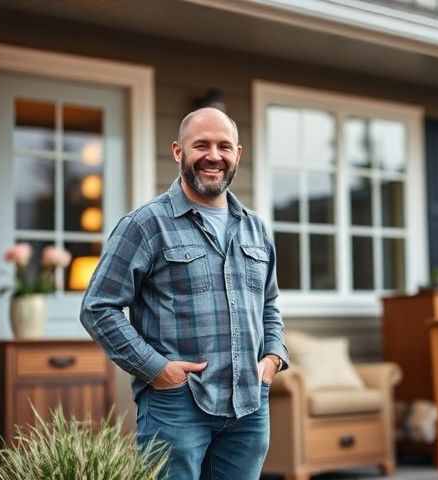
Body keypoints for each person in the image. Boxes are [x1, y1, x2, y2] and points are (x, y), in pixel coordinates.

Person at [80, 107, 288, 479]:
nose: (213, 156)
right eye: (201, 145)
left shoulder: (256, 229)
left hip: (248, 406)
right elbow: (98, 307)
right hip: (177, 405)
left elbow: (269, 303)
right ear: (178, 152)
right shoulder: (145, 225)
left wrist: (272, 358)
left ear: (238, 155)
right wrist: (156, 369)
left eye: (225, 146)